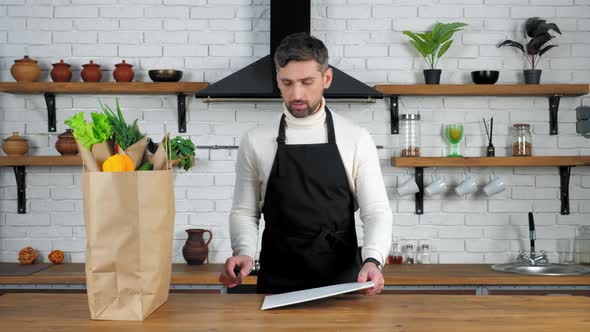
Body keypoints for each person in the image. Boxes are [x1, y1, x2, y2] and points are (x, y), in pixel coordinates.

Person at [219, 32, 392, 295]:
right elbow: (244, 211)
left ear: (327, 78)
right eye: (287, 83)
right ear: (277, 79)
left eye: (306, 82)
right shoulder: (255, 141)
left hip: (343, 284)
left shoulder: (355, 138)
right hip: (277, 284)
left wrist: (372, 260)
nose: (296, 94)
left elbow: (376, 211)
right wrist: (243, 252)